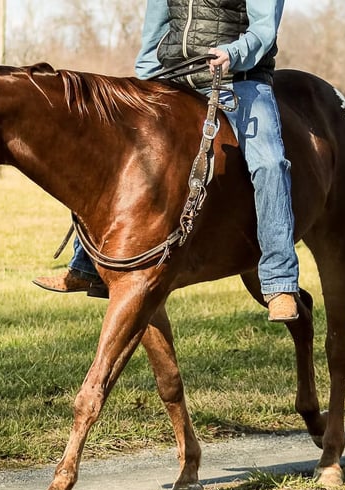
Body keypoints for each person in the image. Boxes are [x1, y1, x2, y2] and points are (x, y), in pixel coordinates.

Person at [33, 0, 299, 322]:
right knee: (115, 148)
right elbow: (156, 25)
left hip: (238, 77)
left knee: (270, 164)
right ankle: (86, 265)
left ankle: (279, 281)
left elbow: (264, 28)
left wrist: (234, 53)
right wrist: (144, 80)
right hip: (176, 77)